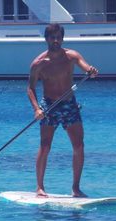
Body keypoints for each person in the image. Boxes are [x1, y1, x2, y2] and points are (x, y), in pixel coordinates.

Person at [27, 23, 98, 198]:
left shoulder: (71, 56)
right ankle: (40, 187)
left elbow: (86, 66)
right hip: (49, 106)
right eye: (53, 37)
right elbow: (30, 88)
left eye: (59, 37)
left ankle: (75, 188)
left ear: (63, 38)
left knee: (79, 145)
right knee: (45, 146)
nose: (56, 40)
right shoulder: (38, 64)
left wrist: (91, 71)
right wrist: (37, 109)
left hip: (69, 105)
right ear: (46, 39)